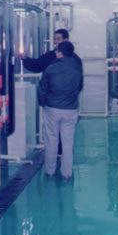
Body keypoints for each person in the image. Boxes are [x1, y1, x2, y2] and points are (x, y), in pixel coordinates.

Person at [38, 41, 83, 179]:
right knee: (68, 142)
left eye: (57, 50)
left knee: (51, 140)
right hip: (70, 109)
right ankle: (66, 173)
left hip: (52, 108)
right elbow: (79, 87)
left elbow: (42, 89)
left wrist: (43, 103)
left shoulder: (50, 68)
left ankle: (50, 171)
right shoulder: (77, 69)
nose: (56, 52)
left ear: (60, 53)